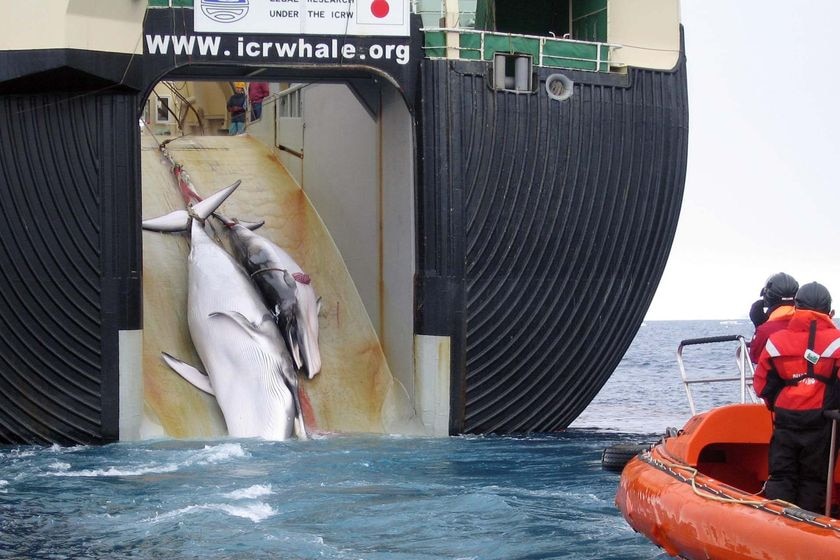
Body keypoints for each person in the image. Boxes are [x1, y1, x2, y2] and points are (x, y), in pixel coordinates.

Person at [753, 281, 840, 513]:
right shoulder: (837, 341)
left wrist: (777, 402)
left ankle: (776, 526)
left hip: (785, 419)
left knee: (782, 474)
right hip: (822, 421)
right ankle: (806, 529)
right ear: (829, 310)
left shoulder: (777, 341)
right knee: (813, 478)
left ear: (797, 307)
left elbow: (762, 384)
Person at [748, 272, 799, 364]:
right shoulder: (811, 325)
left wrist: (759, 326)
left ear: (767, 299)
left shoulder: (765, 331)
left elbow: (755, 357)